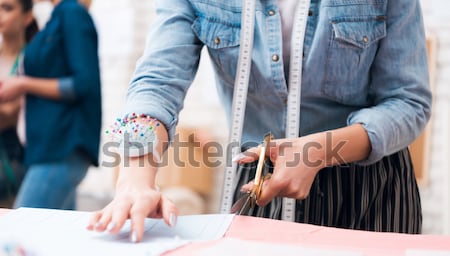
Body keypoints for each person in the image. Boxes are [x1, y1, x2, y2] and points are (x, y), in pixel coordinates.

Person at [88, 0, 431, 242]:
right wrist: (134, 178)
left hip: (370, 188)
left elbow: (408, 101)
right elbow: (157, 81)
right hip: (261, 182)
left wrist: (320, 151)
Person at [0, 0, 101, 210]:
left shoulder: (71, 12)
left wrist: (23, 84)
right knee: (58, 237)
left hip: (60, 146)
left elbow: (84, 83)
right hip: (46, 150)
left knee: (19, 234)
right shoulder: (57, 17)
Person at [0, 0, 38, 207]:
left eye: (7, 8)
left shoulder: (32, 59)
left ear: (27, 17)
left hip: (17, 158)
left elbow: (11, 114)